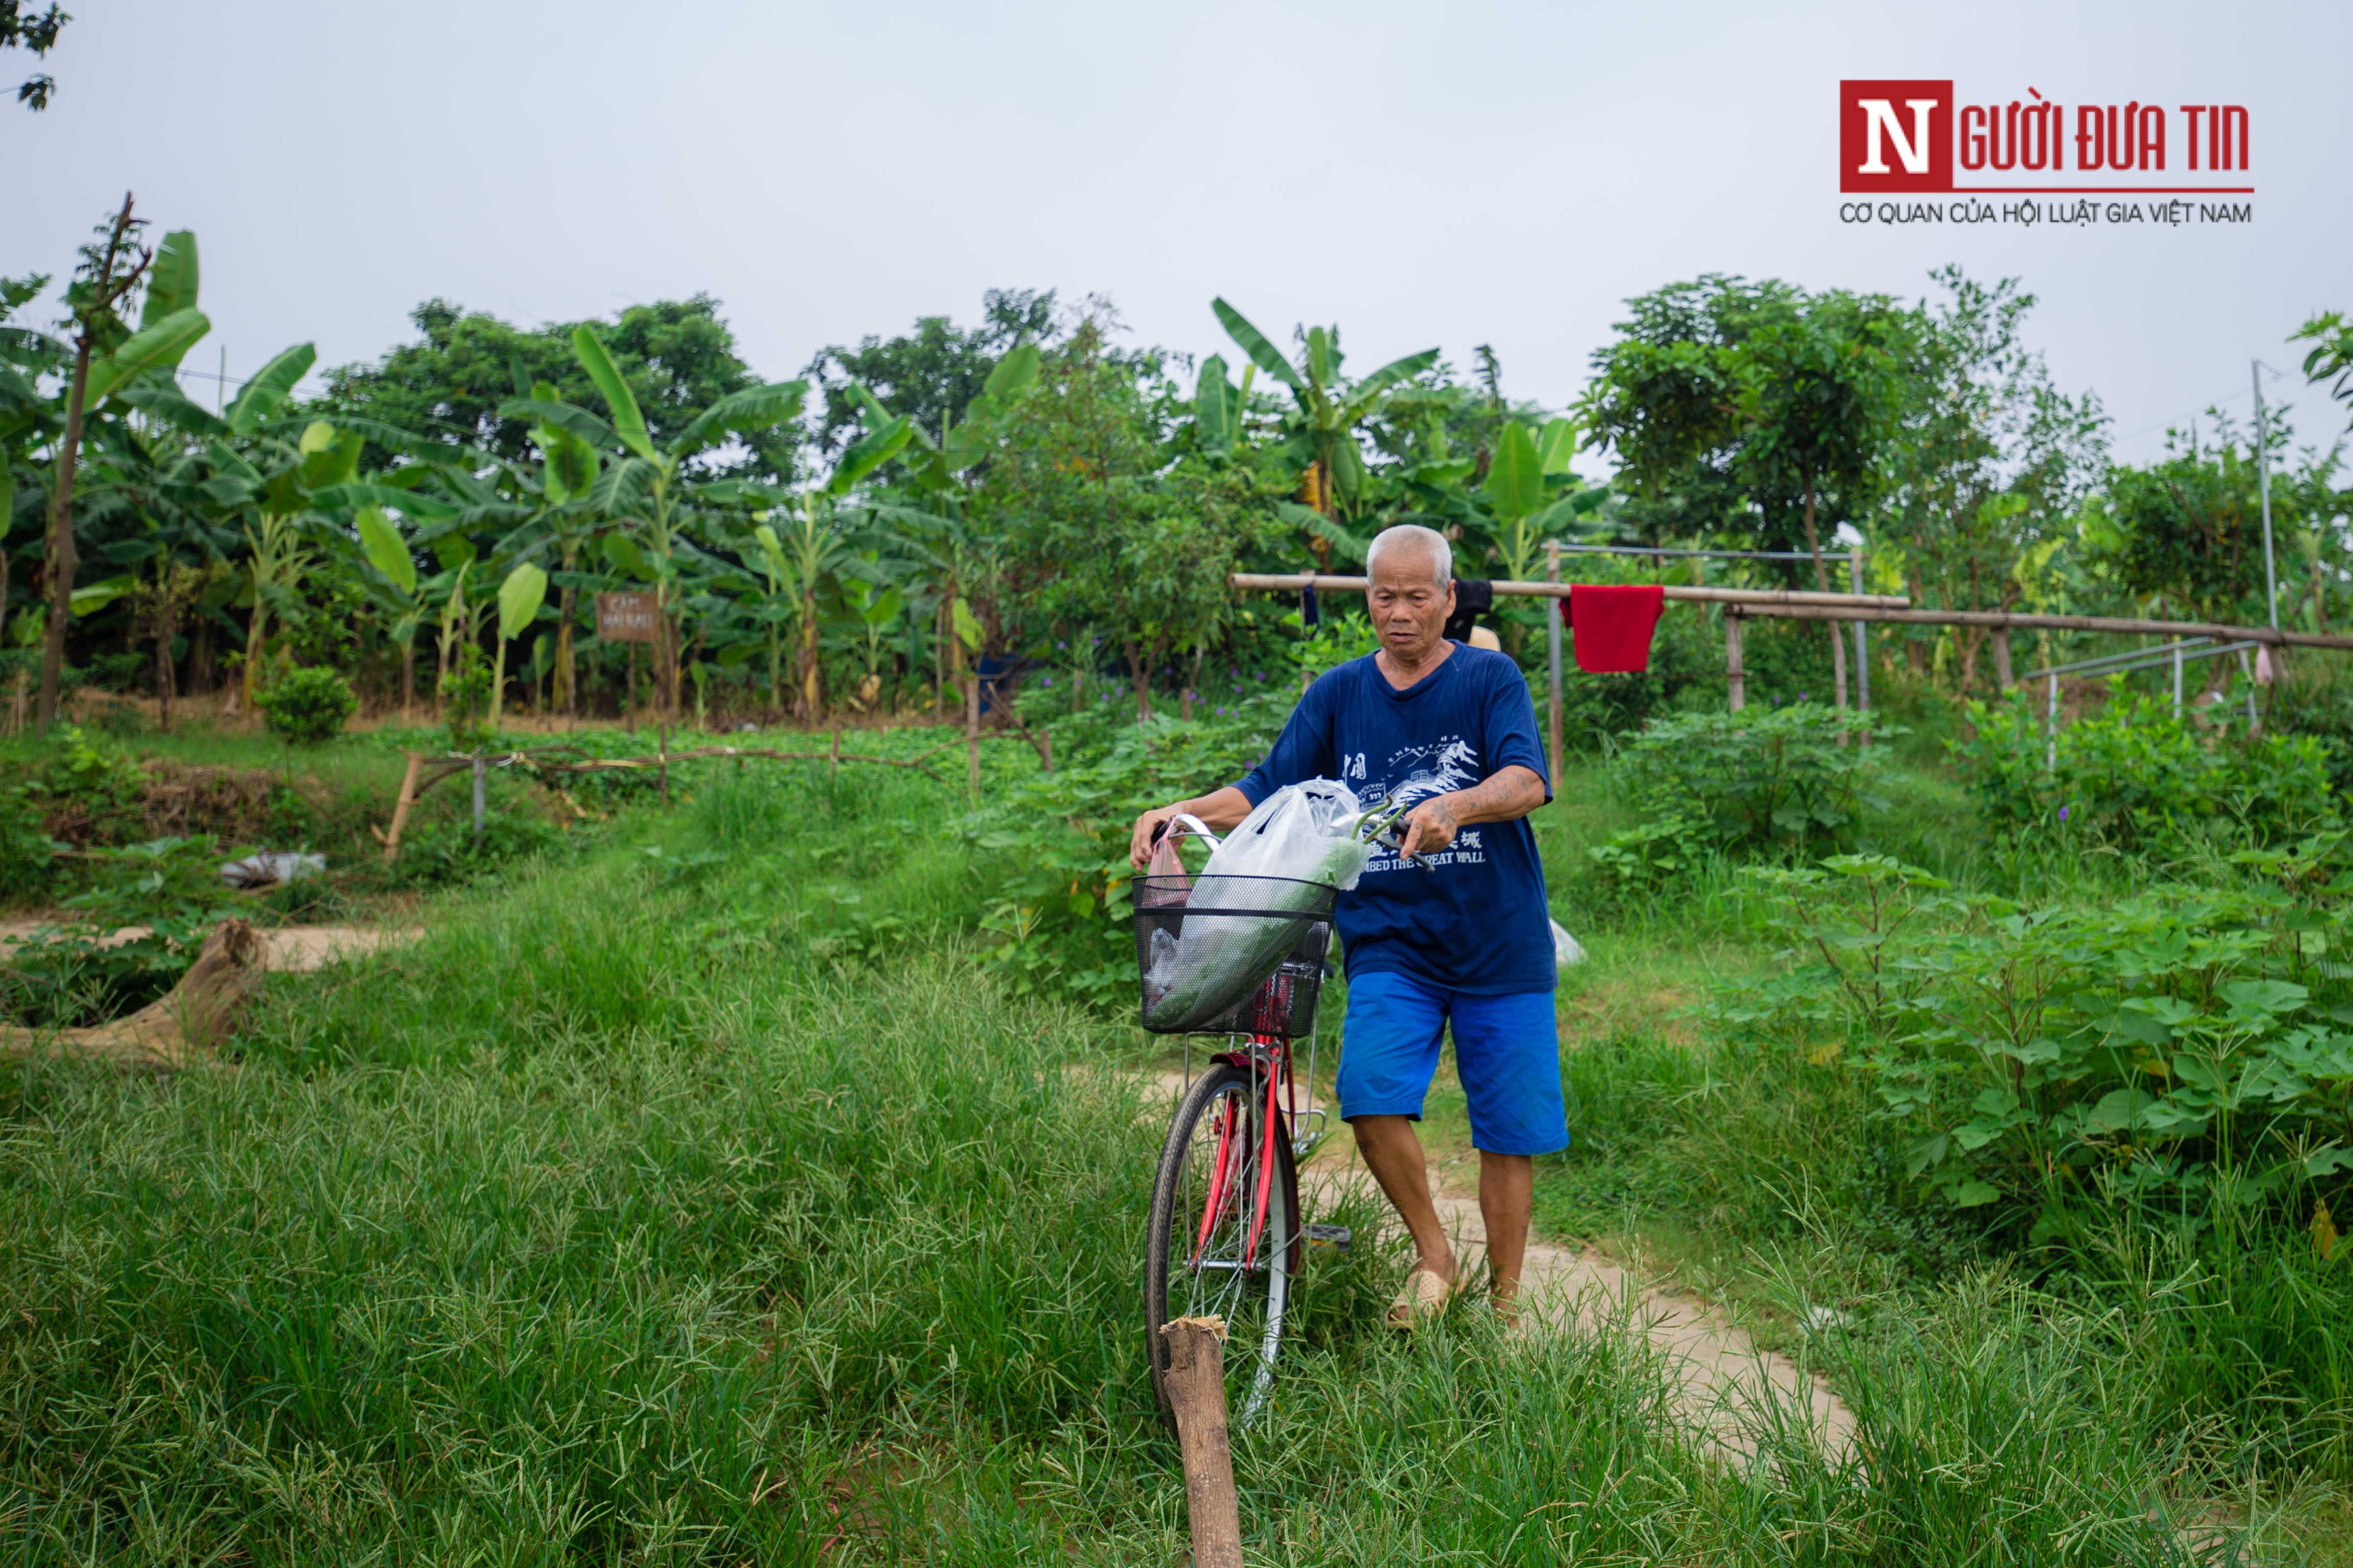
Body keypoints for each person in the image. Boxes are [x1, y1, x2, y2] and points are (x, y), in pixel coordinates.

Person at [1129, 524, 1564, 1324]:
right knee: (1367, 1096)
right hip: (1390, 940)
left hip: (1498, 938)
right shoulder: (1338, 693)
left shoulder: (1487, 677)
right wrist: (1179, 809)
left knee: (1507, 1130)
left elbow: (1528, 779)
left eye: (1416, 596)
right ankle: (1436, 1256)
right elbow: (1267, 786)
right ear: (1368, 597)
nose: (1399, 613)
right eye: (1383, 596)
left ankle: (1503, 1312)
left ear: (1446, 597)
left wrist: (1456, 806)